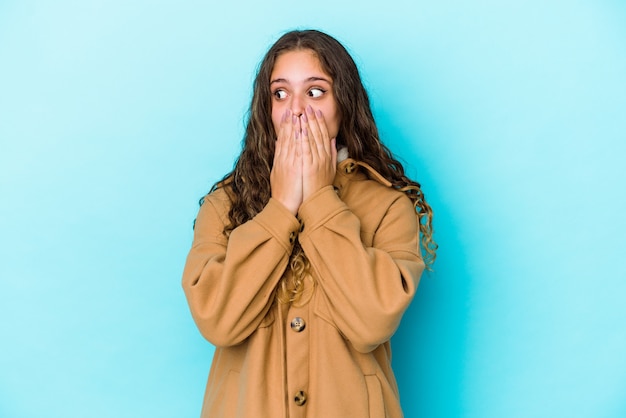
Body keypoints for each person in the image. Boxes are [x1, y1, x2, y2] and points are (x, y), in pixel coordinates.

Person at [182, 29, 437, 418]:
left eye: (315, 91)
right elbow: (218, 320)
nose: (296, 109)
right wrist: (281, 206)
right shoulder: (225, 204)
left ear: (344, 104)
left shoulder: (389, 206)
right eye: (280, 93)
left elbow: (371, 322)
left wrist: (319, 199)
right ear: (266, 109)